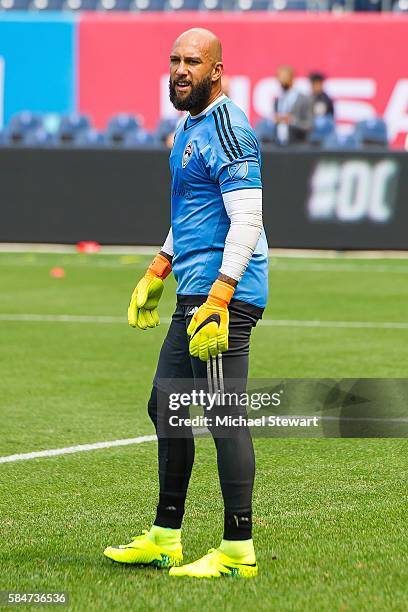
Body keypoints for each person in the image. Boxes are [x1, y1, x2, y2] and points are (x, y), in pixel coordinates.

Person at [104, 27, 268, 579]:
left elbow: (248, 219)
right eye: (174, 59)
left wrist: (221, 294)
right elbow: (193, 216)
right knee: (166, 405)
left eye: (192, 61)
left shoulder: (230, 127)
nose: (179, 69)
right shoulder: (187, 128)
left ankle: (237, 550)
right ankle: (166, 536)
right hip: (194, 291)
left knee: (224, 414)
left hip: (226, 294)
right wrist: (160, 265)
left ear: (216, 71)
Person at [274, 65, 313, 145]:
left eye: (284, 77)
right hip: (279, 145)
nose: (281, 80)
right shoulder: (278, 100)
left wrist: (292, 121)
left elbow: (309, 125)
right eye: (279, 77)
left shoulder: (303, 99)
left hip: (296, 146)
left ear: (292, 78)